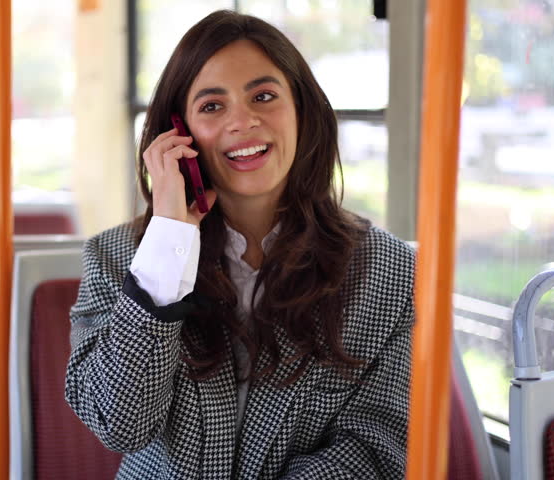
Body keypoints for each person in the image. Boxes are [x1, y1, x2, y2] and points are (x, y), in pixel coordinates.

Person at [65, 9, 415, 479]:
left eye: (264, 96)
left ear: (302, 111)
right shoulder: (116, 258)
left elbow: (377, 447)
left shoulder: (386, 268)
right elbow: (119, 424)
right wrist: (168, 243)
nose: (242, 121)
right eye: (212, 106)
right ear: (177, 133)